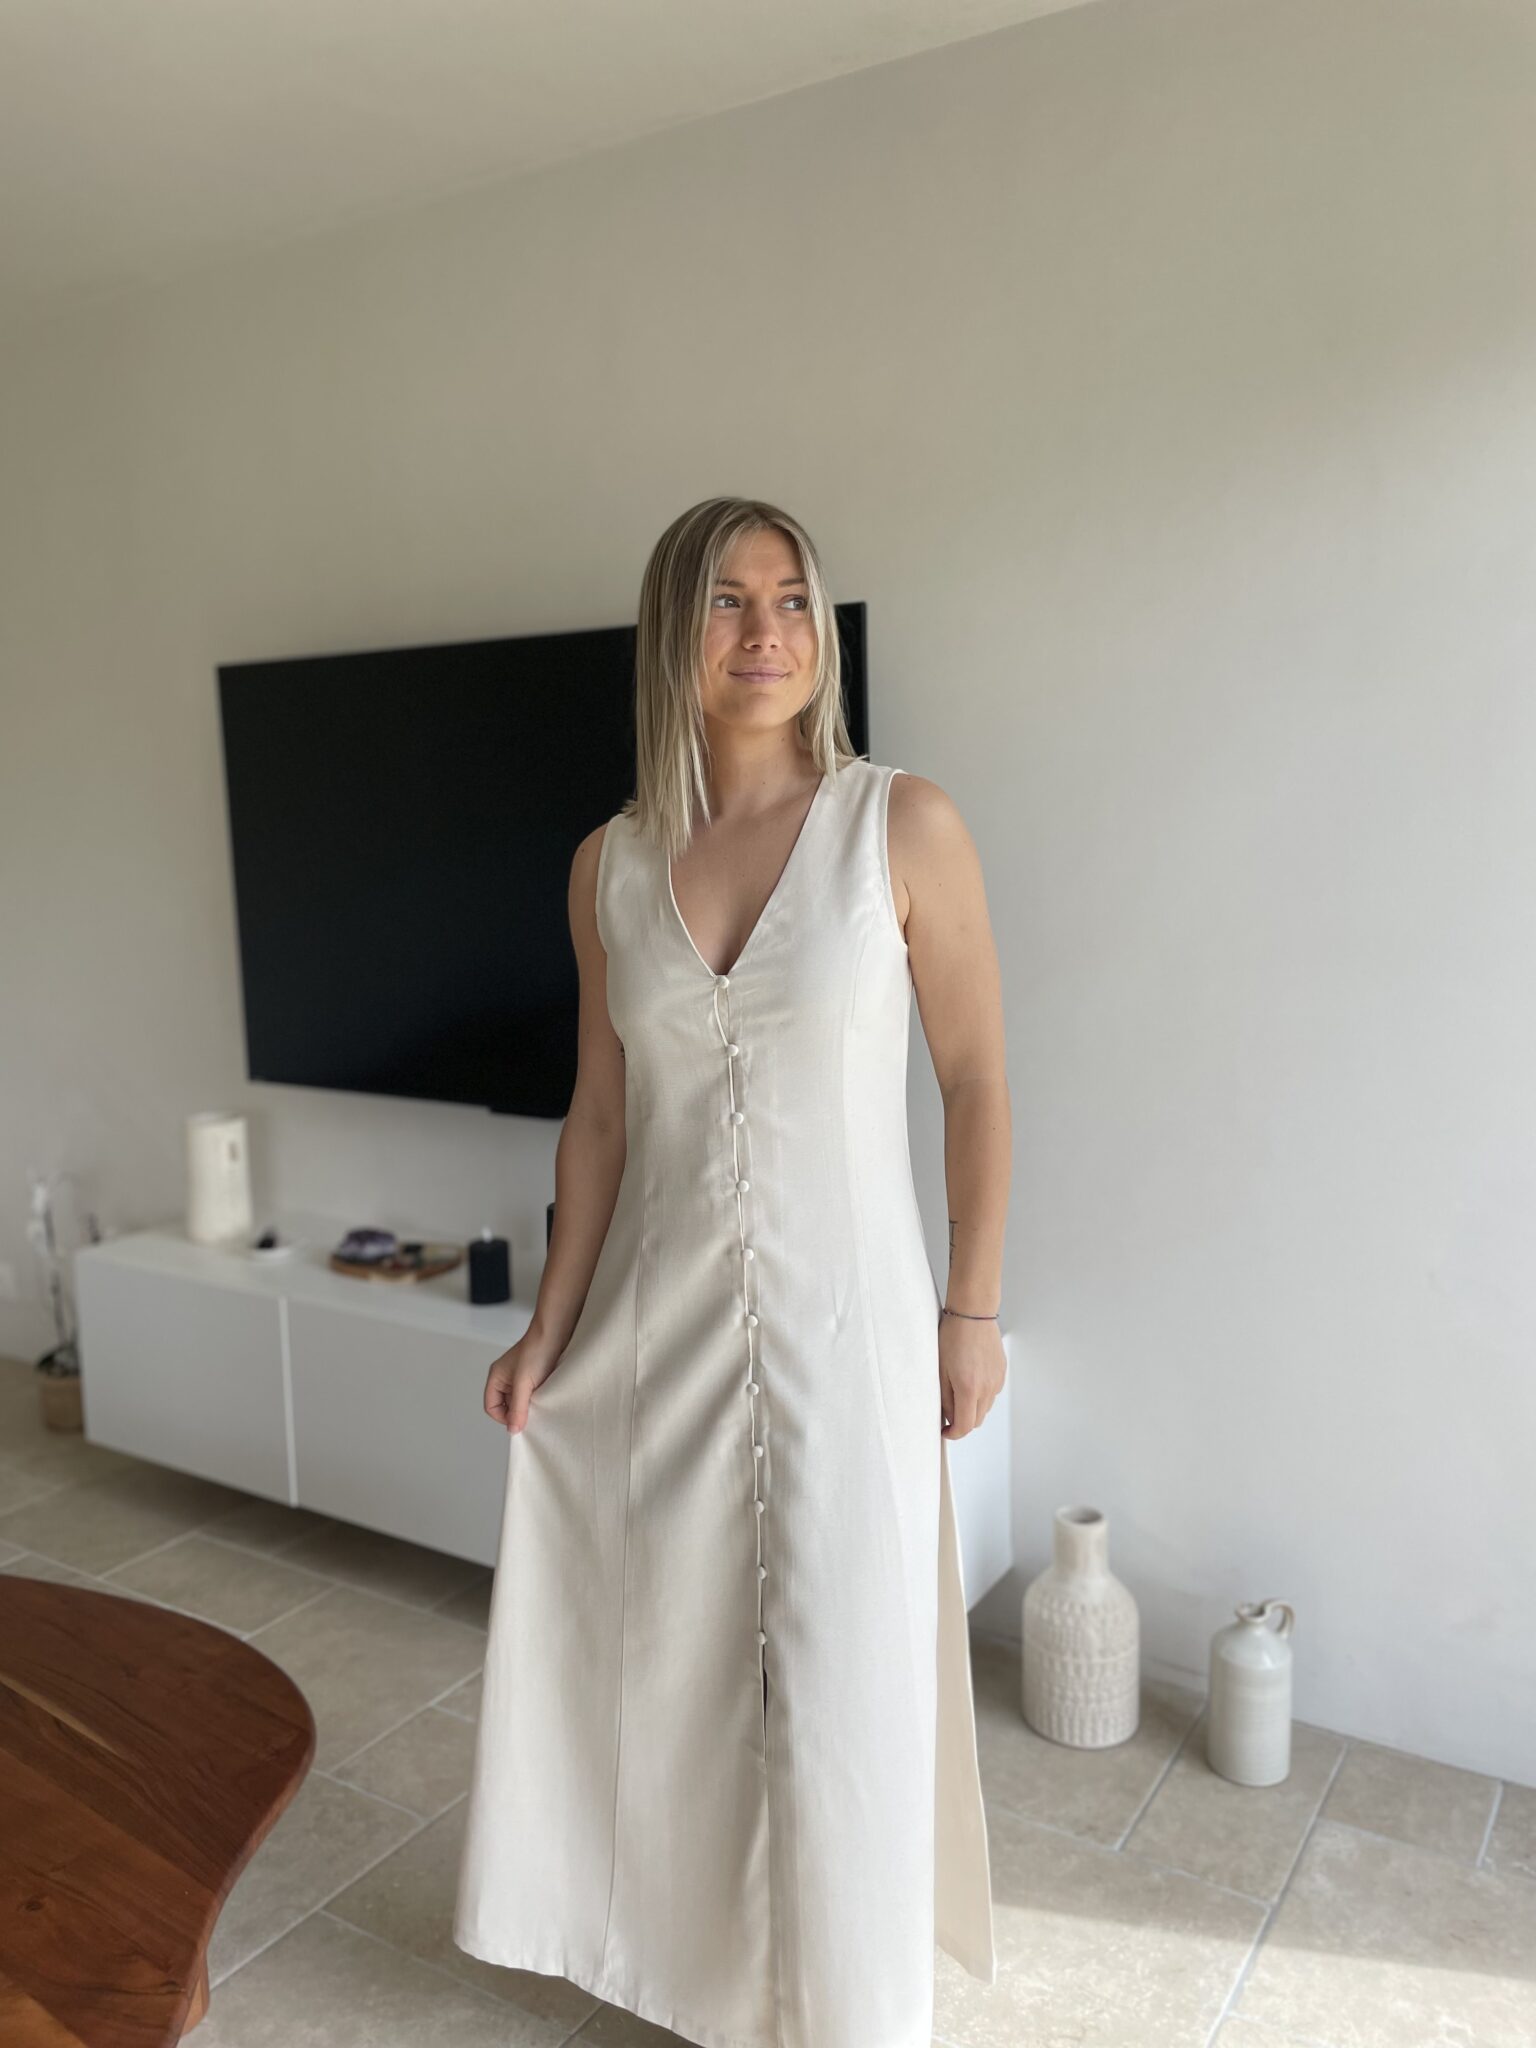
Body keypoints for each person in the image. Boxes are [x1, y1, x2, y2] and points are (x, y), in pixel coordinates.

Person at [454, 496, 1010, 2048]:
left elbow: (976, 1079)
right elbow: (601, 1115)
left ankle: (849, 2010)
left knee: (843, 1675)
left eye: (790, 599)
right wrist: (548, 1327)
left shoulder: (903, 826)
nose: (764, 632)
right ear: (671, 635)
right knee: (676, 1667)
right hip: (664, 1324)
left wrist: (972, 1310)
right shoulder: (608, 866)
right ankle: (706, 1980)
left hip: (852, 1332)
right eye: (724, 601)